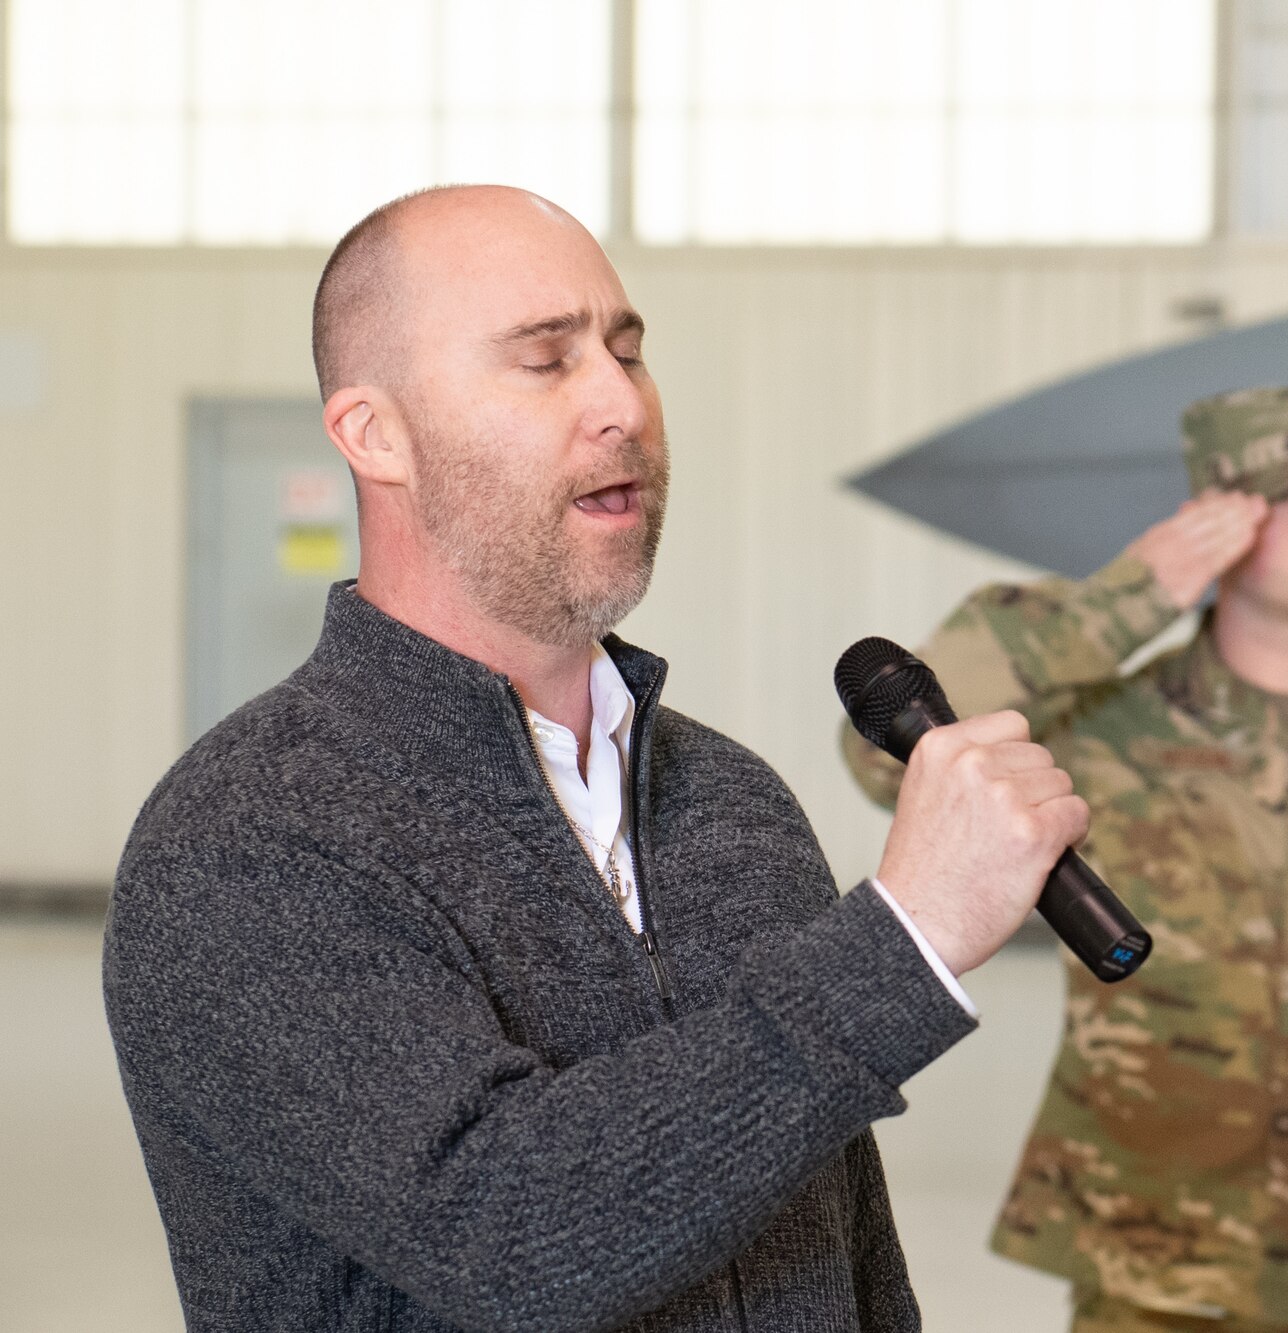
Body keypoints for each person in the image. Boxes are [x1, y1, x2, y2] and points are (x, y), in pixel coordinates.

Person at [103, 185, 1090, 1333]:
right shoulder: (249, 841)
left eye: (627, 351)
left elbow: (846, 1245)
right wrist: (903, 940)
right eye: (544, 360)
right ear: (375, 434)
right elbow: (513, 1232)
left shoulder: (731, 801)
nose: (621, 402)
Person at [841, 387, 1288, 1333]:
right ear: (1216, 516)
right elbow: (883, 755)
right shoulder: (1110, 728)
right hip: (1157, 1273)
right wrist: (1132, 594)